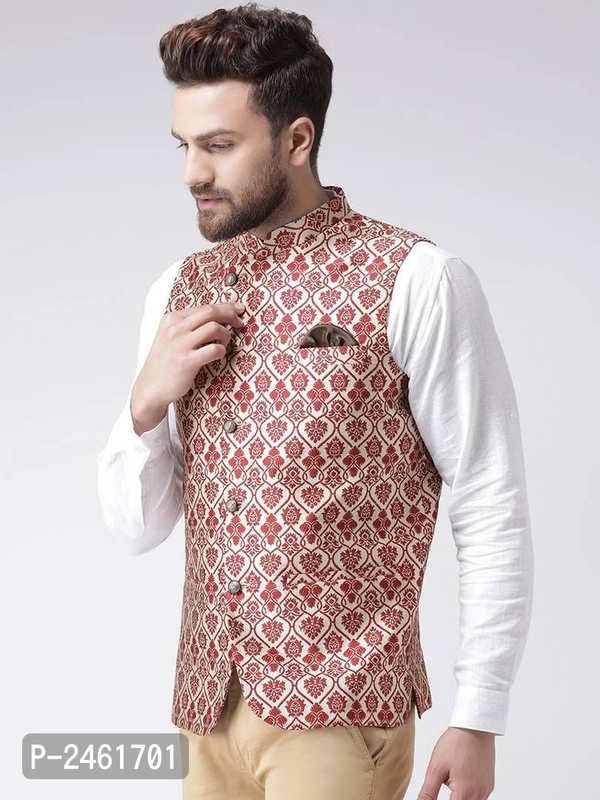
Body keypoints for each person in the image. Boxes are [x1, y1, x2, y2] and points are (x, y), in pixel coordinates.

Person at [96, 4, 534, 799]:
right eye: (184, 145)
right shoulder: (175, 292)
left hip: (340, 713)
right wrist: (144, 405)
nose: (192, 172)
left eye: (218, 146)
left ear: (296, 140)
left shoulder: (417, 279)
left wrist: (478, 716)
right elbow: (138, 529)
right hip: (206, 718)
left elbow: (489, 497)